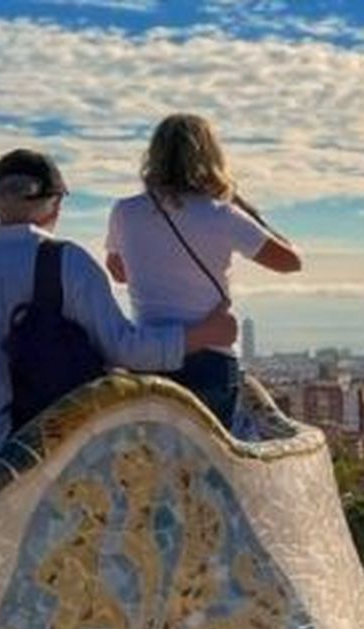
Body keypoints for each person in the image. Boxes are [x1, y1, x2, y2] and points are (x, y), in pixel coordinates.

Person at [0, 148, 238, 476]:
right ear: (55, 203)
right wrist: (206, 334)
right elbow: (125, 350)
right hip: (54, 468)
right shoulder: (66, 263)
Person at [106, 113, 300, 426]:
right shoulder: (223, 215)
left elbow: (118, 272)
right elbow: (290, 262)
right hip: (211, 358)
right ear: (210, 156)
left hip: (151, 355)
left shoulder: (125, 212)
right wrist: (243, 206)